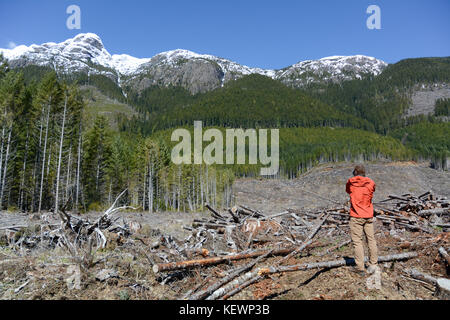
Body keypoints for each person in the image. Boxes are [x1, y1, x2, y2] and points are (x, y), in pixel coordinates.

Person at [346, 165, 378, 276]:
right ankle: (373, 264)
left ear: (354, 172)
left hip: (356, 216)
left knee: (357, 242)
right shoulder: (371, 183)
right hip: (368, 215)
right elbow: (373, 191)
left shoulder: (350, 183)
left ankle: (360, 267)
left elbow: (348, 191)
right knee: (371, 240)